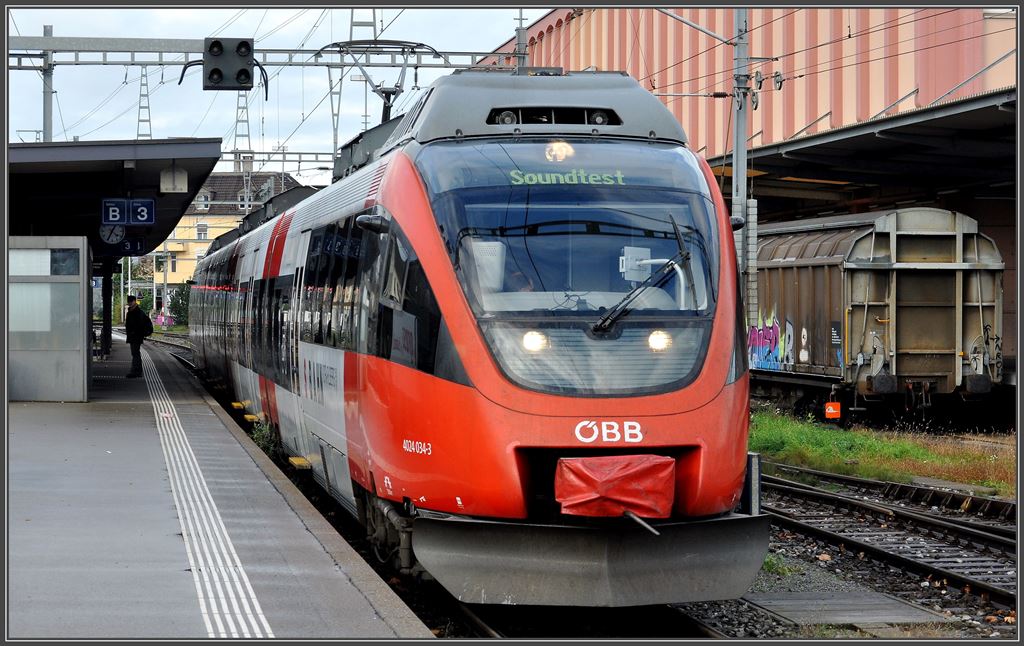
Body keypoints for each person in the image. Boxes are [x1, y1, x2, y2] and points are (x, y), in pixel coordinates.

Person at [124, 294, 151, 378]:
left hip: (136, 336)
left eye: (131, 301)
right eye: (129, 302)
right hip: (134, 336)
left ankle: (135, 371)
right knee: (135, 353)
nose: (129, 303)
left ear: (134, 301)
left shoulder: (137, 312)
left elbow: (138, 325)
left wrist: (134, 332)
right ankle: (137, 371)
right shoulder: (132, 311)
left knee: (135, 353)